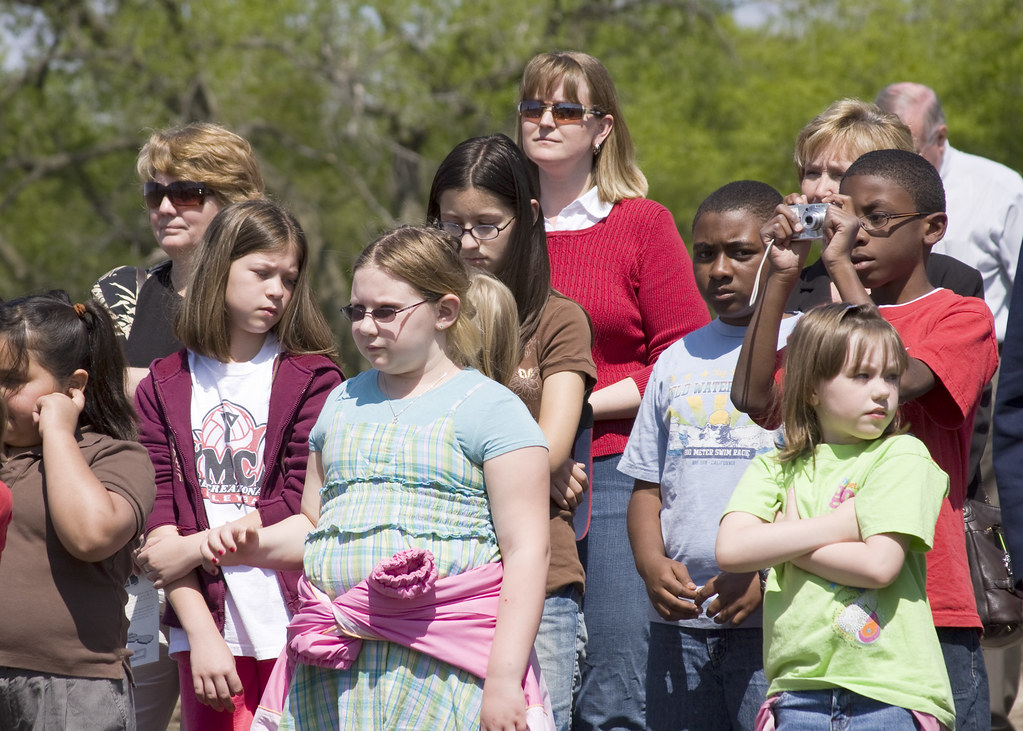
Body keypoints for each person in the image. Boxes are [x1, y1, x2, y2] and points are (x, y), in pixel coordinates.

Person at [198, 225, 552, 730]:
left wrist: (502, 680)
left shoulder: (493, 409)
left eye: (386, 311)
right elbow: (315, 525)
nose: (366, 326)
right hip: (339, 670)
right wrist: (251, 543)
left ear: (444, 312)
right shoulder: (340, 401)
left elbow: (526, 551)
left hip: (450, 668)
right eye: (357, 311)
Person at [733, 148, 998, 730]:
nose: (856, 234)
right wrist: (780, 272)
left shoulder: (961, 315)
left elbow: (902, 379)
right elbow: (755, 399)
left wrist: (842, 275)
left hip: (932, 601)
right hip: (820, 611)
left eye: (877, 218)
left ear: (933, 229)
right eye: (844, 215)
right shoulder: (829, 326)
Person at [517, 50, 710, 730]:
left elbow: (682, 358)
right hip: (512, 473)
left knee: (616, 682)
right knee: (529, 673)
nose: (544, 121)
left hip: (619, 467)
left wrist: (573, 408)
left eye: (564, 109)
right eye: (532, 107)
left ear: (600, 128)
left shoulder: (641, 223)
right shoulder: (495, 230)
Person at [133, 200, 343, 730]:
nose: (277, 290)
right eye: (262, 272)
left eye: (289, 279)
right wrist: (200, 634)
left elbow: (301, 502)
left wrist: (197, 546)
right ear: (219, 267)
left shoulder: (316, 380)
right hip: (203, 628)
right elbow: (161, 535)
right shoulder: (162, 384)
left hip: (298, 622)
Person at [92, 122, 265, 731]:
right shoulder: (123, 294)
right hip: (132, 558)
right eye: (153, 193)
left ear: (234, 199)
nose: (164, 207)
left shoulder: (266, 304)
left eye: (186, 192)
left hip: (234, 563)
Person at [717, 303, 955, 730]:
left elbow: (878, 565)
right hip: (796, 693)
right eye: (861, 376)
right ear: (811, 388)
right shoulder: (777, 466)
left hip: (888, 694)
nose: (882, 390)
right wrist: (840, 526)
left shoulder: (901, 455)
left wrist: (784, 541)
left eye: (891, 376)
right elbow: (732, 550)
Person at [428, 133, 597, 731]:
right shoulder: (423, 319)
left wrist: (535, 467)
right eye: (450, 225)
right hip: (441, 589)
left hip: (542, 583)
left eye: (485, 224)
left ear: (526, 218)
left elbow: (551, 447)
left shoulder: (558, 319)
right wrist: (530, 472)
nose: (467, 243)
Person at [878, 82, 1023, 729]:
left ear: (936, 140)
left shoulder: (998, 191)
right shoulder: (827, 297)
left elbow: (890, 378)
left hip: (974, 395)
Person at [621, 180, 791, 730]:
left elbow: (823, 486)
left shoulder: (808, 343)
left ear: (778, 250)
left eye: (741, 253)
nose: (719, 269)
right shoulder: (675, 360)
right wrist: (650, 565)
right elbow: (647, 485)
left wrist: (766, 576)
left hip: (777, 623)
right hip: (680, 627)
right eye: (705, 254)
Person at [0, 292, 156, 729]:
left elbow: (92, 535)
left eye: (11, 379)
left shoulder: (115, 458)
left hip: (72, 689)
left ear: (72, 388)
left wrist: (58, 435)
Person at [785, 98, 983, 311]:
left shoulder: (949, 280)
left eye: (839, 175)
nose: (819, 190)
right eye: (812, 173)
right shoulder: (789, 286)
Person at [877, 82, 1023, 343]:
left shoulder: (1002, 190)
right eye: (885, 152)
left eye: (911, 151)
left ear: (940, 138)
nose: (897, 164)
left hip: (988, 354)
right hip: (889, 348)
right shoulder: (866, 193)